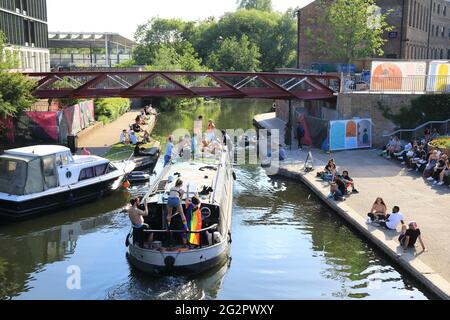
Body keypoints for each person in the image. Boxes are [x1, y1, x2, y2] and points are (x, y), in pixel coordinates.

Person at [166, 179, 189, 246]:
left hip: (169, 200)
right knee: (182, 214)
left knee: (169, 214)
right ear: (181, 184)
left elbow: (171, 195)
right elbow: (180, 199)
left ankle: (168, 226)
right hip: (176, 200)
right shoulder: (181, 190)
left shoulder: (171, 188)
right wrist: (179, 207)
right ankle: (186, 227)